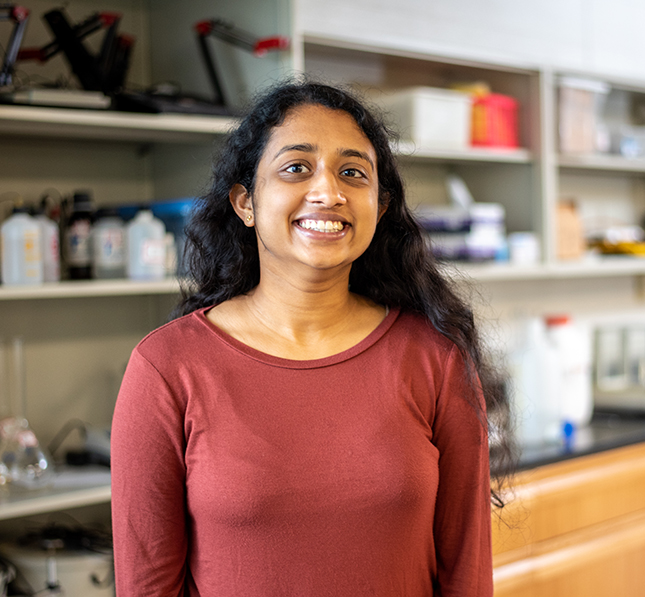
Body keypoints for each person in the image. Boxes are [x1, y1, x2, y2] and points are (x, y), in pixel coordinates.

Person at [110, 79, 510, 596]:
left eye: (352, 173)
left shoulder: (435, 359)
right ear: (245, 203)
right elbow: (147, 586)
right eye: (296, 168)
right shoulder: (167, 367)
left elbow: (467, 574)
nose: (328, 192)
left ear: (380, 206)